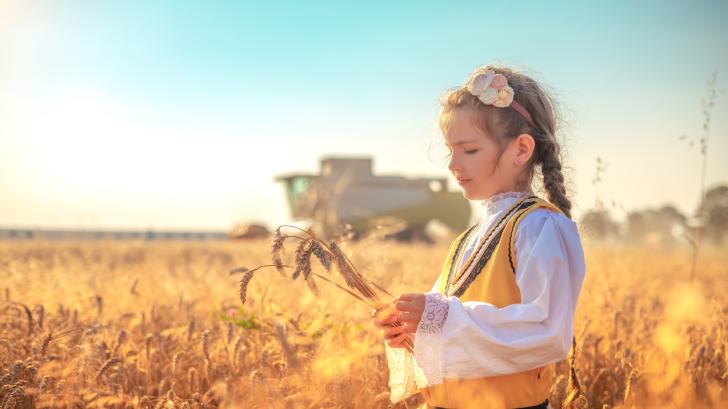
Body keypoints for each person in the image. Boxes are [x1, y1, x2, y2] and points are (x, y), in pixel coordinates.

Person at [372, 65, 586, 409]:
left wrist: (441, 317)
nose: (453, 165)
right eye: (450, 151)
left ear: (520, 150)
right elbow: (449, 330)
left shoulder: (537, 227)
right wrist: (413, 330)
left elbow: (548, 330)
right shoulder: (465, 239)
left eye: (469, 150)